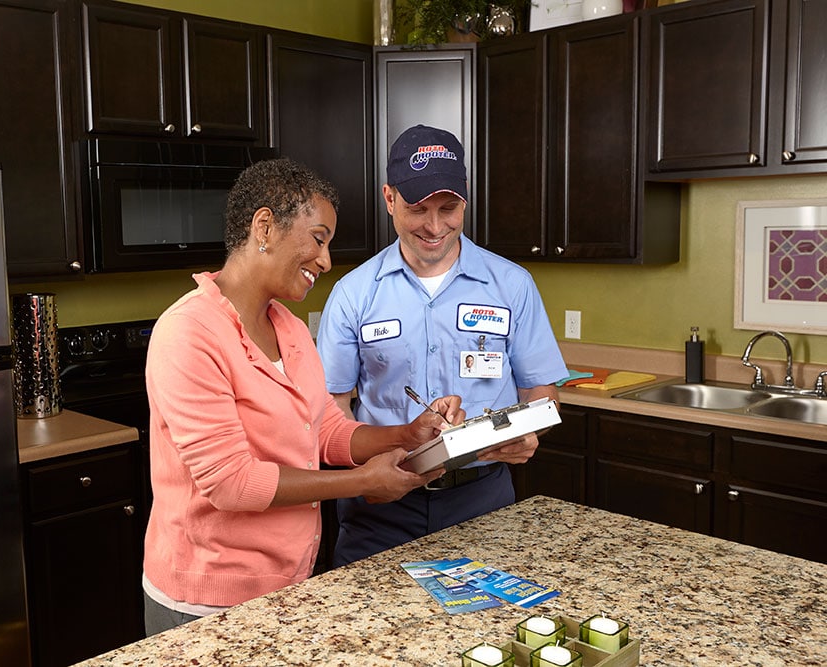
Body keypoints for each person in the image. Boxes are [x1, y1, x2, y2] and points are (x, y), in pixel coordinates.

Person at [142, 157, 463, 635]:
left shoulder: (288, 328)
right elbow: (232, 482)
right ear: (265, 227)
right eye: (318, 239)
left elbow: (326, 431)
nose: (327, 261)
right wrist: (361, 483)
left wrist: (408, 434)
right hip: (206, 599)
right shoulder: (188, 334)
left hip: (289, 585)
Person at [316, 124, 568, 567]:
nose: (434, 226)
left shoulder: (513, 285)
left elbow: (540, 394)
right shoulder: (353, 294)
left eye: (449, 208)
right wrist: (362, 476)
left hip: (485, 503)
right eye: (417, 209)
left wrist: (531, 432)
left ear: (466, 199)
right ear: (389, 198)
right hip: (380, 509)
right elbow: (329, 411)